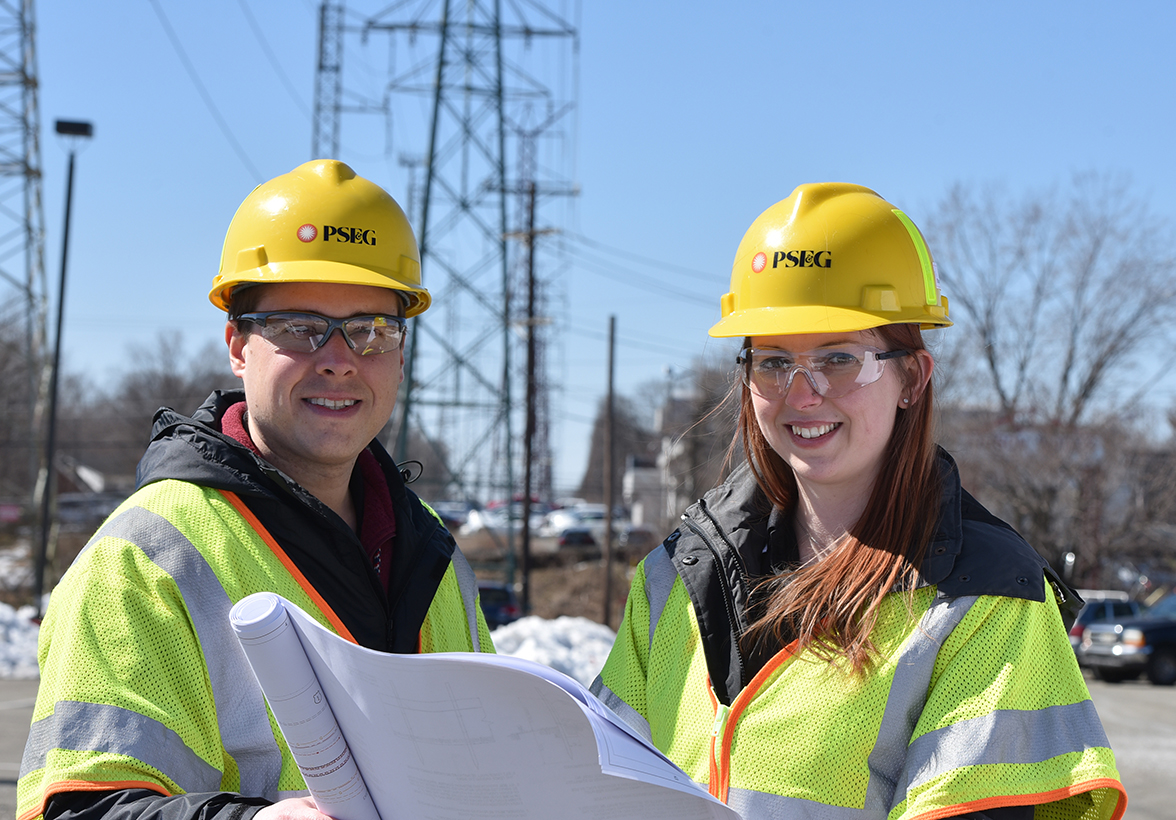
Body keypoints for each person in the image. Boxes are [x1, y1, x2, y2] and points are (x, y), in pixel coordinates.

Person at [591, 183, 1127, 820]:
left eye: (839, 358)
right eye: (772, 362)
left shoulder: (984, 601)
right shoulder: (675, 578)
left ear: (911, 378)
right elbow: (596, 786)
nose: (802, 393)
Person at [18, 160, 493, 820]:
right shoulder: (147, 556)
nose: (339, 357)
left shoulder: (435, 556)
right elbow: (80, 810)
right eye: (299, 327)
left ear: (403, 354)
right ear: (237, 345)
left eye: (372, 330)